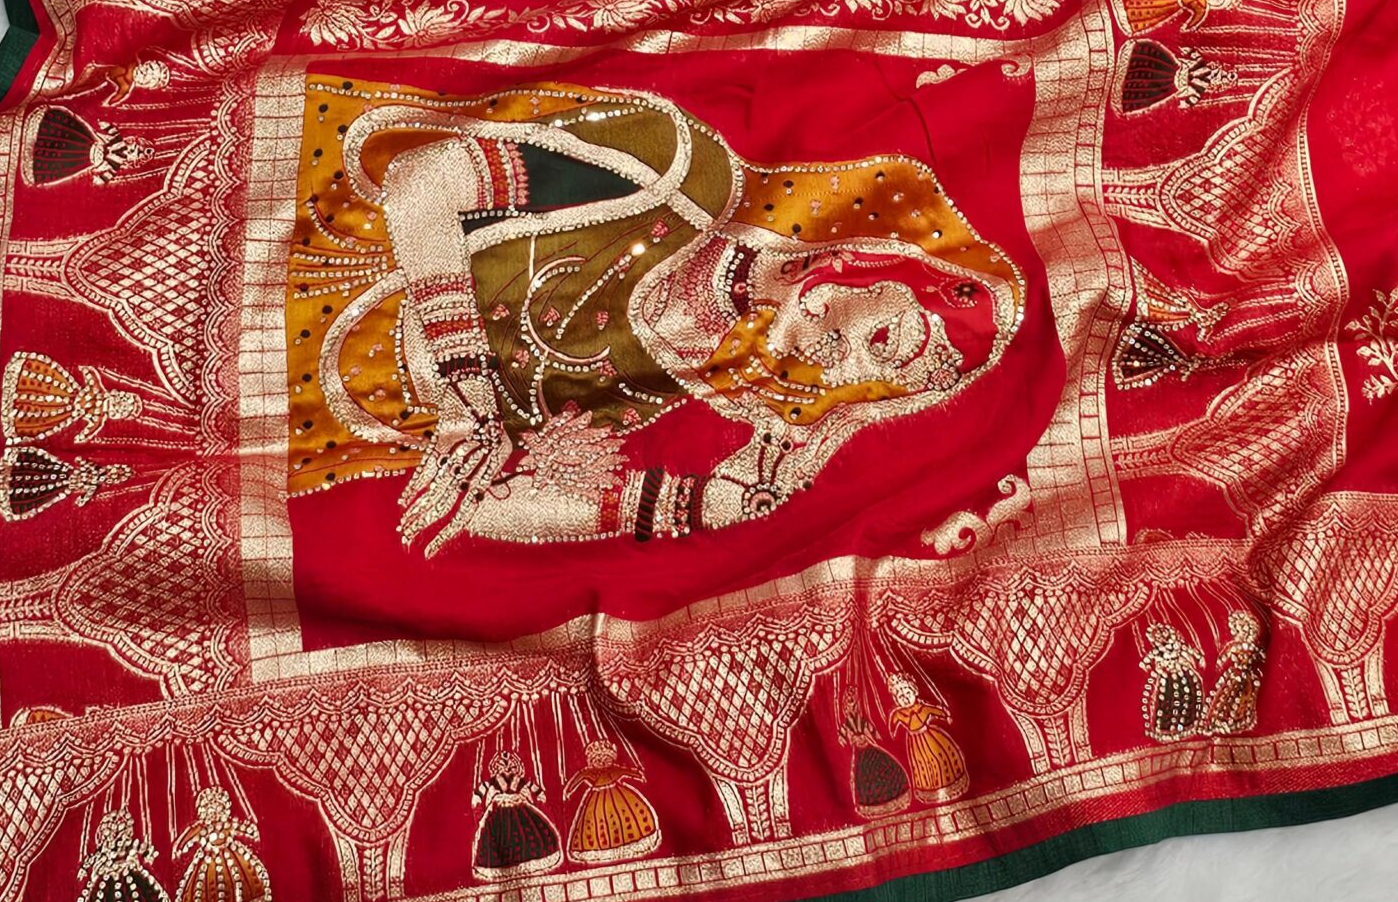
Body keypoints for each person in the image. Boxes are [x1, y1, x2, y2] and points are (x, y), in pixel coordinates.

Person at [319, 88, 1024, 554]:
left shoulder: (687, 382)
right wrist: (466, 392)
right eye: (885, 341)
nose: (842, 368)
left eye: (870, 383)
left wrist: (691, 504)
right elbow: (424, 181)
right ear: (858, 265)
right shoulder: (680, 176)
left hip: (317, 452)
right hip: (300, 250)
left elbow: (476, 508)